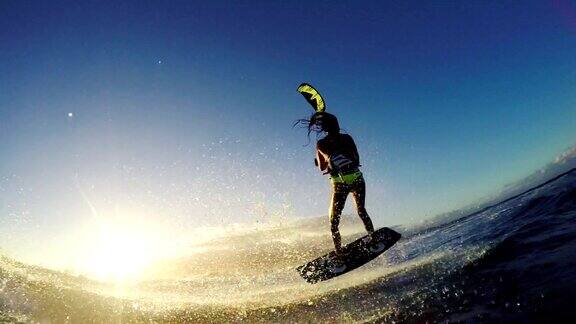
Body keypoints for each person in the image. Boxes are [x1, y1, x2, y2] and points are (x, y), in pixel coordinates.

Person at [297, 111, 375, 256]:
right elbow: (357, 159)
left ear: (324, 128)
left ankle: (339, 253)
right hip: (357, 179)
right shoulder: (347, 138)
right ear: (337, 126)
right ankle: (373, 237)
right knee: (361, 211)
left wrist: (319, 159)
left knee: (334, 222)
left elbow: (321, 167)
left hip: (340, 184)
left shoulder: (321, 144)